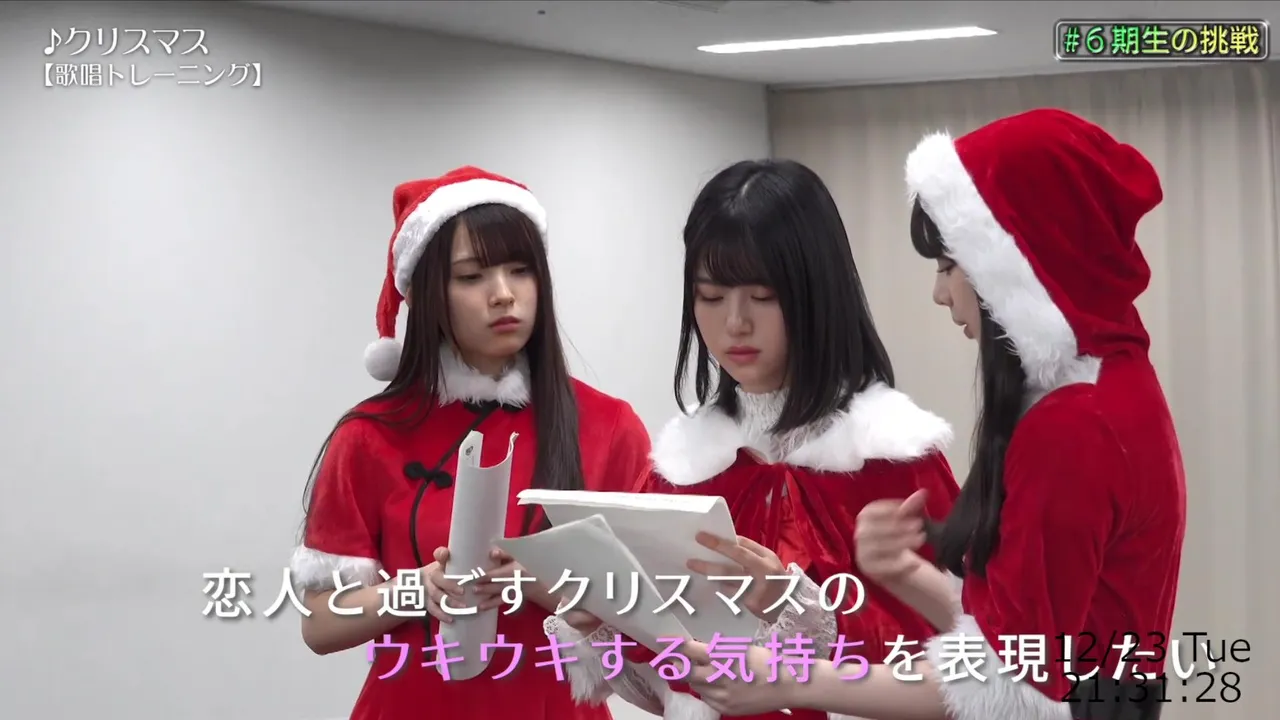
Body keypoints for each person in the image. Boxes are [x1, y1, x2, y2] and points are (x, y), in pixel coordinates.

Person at [677, 109, 1186, 720]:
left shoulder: (1073, 426)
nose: (940, 293)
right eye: (711, 297)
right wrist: (903, 574)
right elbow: (1014, 643)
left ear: (1018, 264)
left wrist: (792, 680)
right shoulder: (1114, 390)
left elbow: (1012, 689)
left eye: (949, 266)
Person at [544, 159, 962, 720]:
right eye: (711, 297)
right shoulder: (682, 468)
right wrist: (600, 621)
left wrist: (800, 613)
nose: (734, 324)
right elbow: (668, 689)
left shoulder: (892, 460)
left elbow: (972, 669)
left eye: (762, 296)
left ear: (816, 294)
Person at [288, 166, 652, 720]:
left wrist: (541, 583)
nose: (503, 295)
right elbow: (319, 623)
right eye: (472, 276)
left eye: (520, 270)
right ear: (426, 294)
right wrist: (417, 590)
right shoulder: (370, 435)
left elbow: (657, 610)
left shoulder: (608, 427)